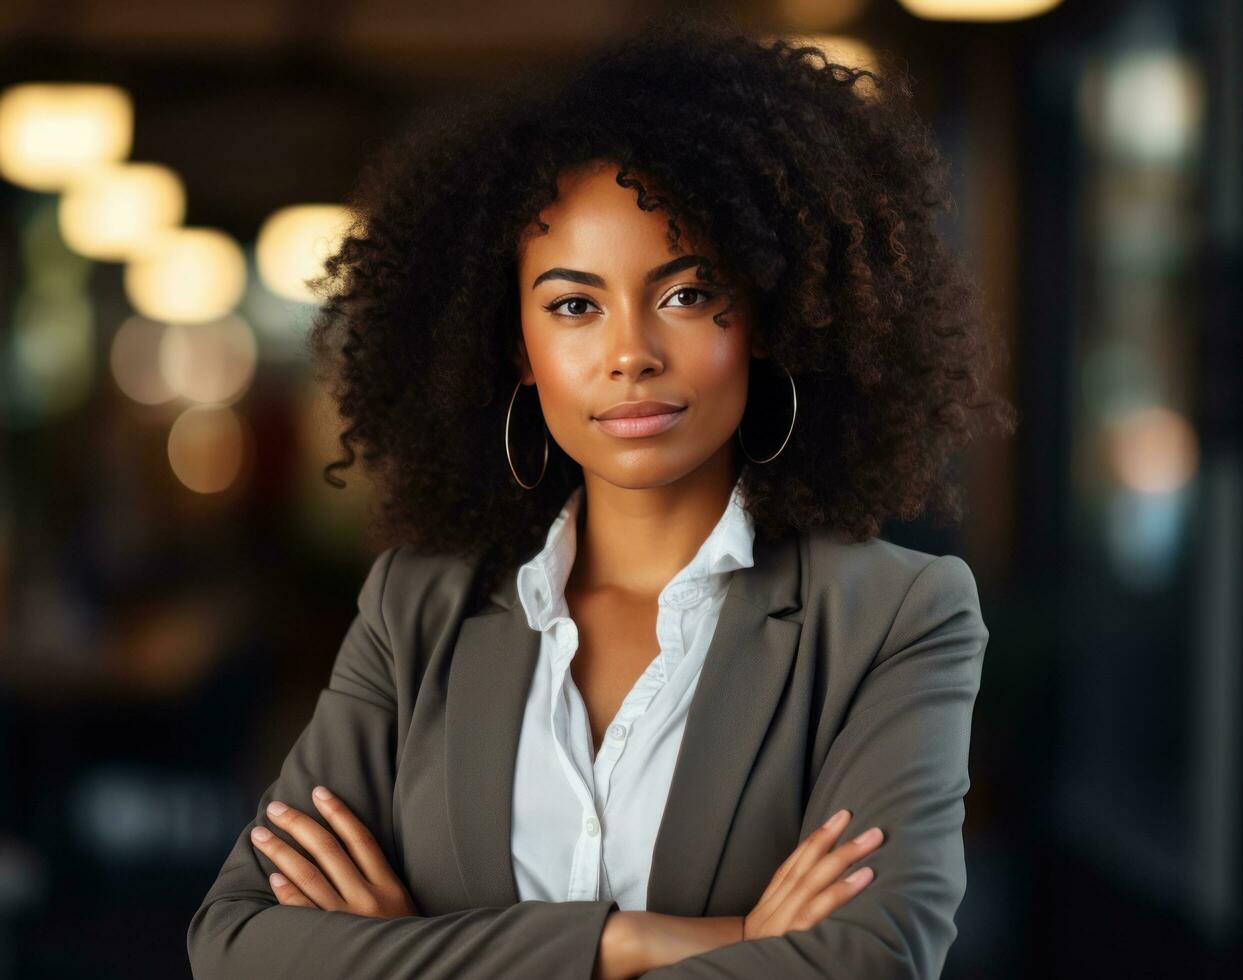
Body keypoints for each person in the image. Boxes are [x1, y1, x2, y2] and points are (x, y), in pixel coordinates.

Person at [187, 10, 1017, 979]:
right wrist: (636, 941)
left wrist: (408, 945)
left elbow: (862, 963)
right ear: (516, 348)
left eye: (686, 293)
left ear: (765, 316)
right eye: (574, 305)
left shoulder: (889, 615)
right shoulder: (417, 605)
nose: (629, 352)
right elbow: (238, 942)